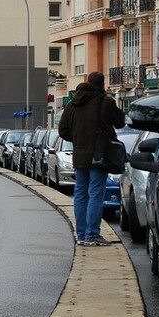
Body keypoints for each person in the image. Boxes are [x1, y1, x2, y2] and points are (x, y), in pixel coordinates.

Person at [58, 71, 125, 246]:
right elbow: (120, 122)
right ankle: (92, 235)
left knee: (80, 193)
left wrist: (79, 139)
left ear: (87, 82)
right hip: (99, 155)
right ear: (102, 84)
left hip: (80, 155)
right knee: (96, 193)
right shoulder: (105, 102)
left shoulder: (72, 104)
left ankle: (80, 235)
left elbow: (62, 130)